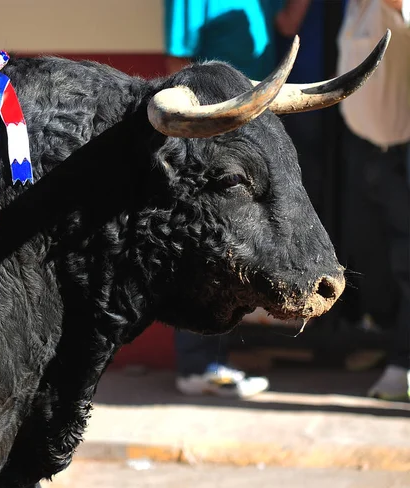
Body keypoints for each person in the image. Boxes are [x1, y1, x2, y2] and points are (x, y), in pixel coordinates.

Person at [164, 0, 310, 397]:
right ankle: (197, 365)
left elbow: (287, 23)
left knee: (244, 245)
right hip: (215, 137)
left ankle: (213, 361)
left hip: (259, 128)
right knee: (205, 243)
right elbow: (177, 61)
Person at [338, 0, 410, 401]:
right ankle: (382, 340)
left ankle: (403, 366)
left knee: (406, 263)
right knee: (369, 259)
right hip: (364, 152)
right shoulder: (354, 6)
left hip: (401, 153)